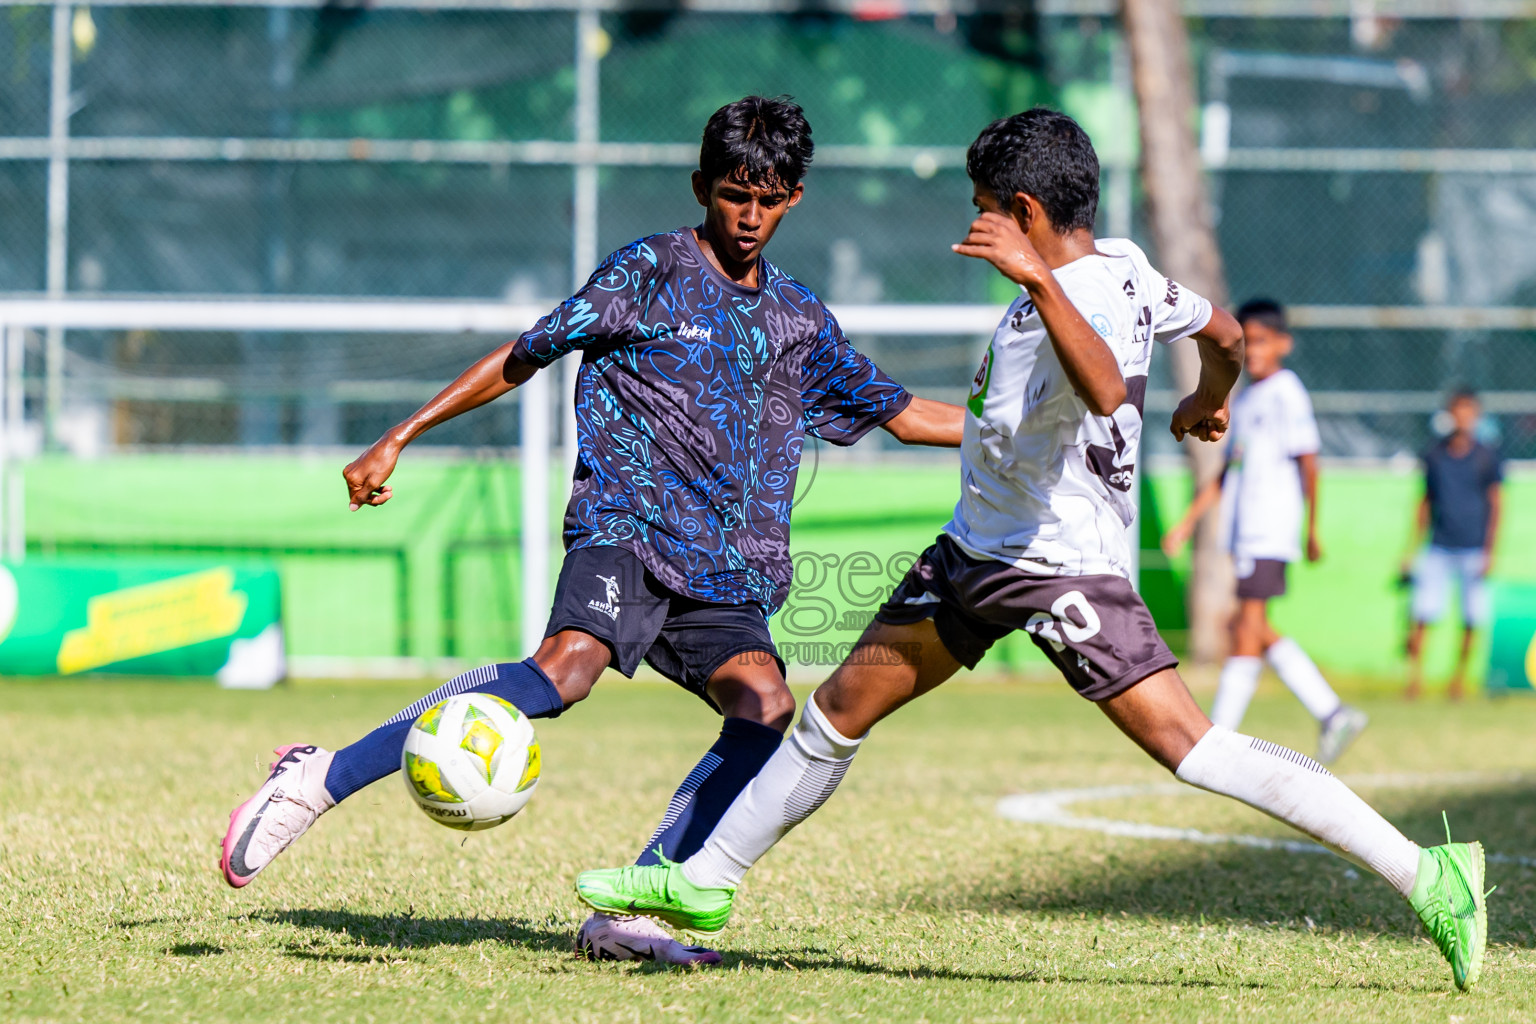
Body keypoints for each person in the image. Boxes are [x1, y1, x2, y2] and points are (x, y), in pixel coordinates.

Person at [574, 109, 1488, 991]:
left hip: (1053, 566)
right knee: (837, 710)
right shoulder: (1127, 266)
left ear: (1026, 215)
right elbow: (1223, 331)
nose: (975, 223)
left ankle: (1428, 875)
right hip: (976, 553)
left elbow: (1103, 390)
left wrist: (1045, 288)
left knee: (1189, 746)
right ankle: (707, 880)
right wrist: (1210, 398)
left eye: (984, 205)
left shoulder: (1076, 291)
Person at [218, 96, 964, 965]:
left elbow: (909, 416)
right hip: (626, 523)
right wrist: (400, 436)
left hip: (727, 568)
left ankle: (635, 907)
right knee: (564, 672)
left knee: (765, 707)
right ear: (702, 187)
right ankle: (317, 780)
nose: (750, 215)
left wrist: (1022, 422)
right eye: (733, 195)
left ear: (794, 198)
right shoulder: (646, 271)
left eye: (770, 198)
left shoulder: (800, 319)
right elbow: (524, 352)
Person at [1161, 299, 1367, 763]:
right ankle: (1324, 713)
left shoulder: (1286, 392)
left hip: (1270, 527)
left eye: (1260, 341)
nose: (1251, 351)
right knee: (1245, 627)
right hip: (1245, 531)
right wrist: (1189, 522)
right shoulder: (1248, 397)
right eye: (1246, 341)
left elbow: (1309, 460)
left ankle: (1225, 735)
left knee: (1247, 625)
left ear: (1283, 344)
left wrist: (1311, 527)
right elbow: (1226, 472)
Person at [1402, 389, 1504, 701]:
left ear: (1477, 416)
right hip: (1438, 546)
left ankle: (1458, 681)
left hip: (1473, 548)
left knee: (1471, 618)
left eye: (1468, 411)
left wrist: (1491, 551)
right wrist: (1411, 548)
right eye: (1457, 411)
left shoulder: (1487, 455)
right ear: (1449, 415)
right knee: (1422, 614)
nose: (1463, 417)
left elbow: (1497, 504)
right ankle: (1414, 680)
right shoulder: (1434, 454)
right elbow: (1425, 501)